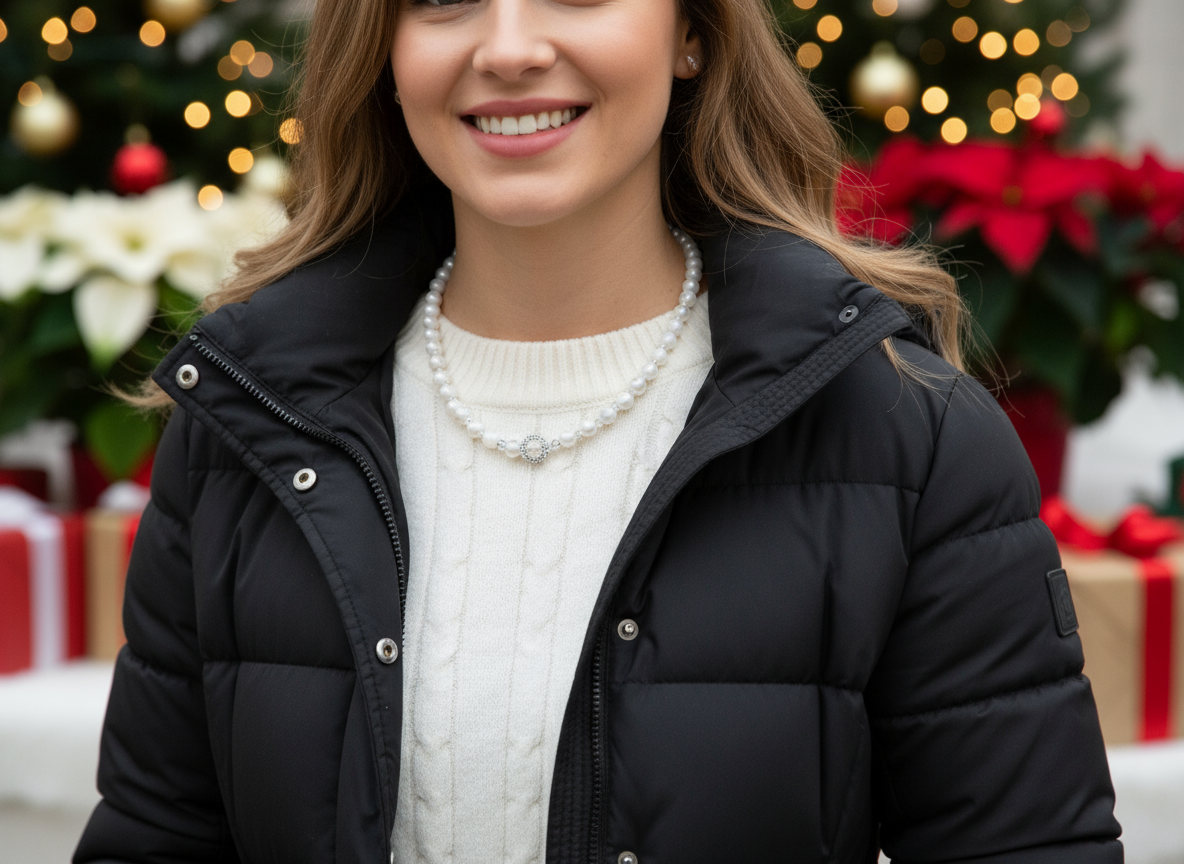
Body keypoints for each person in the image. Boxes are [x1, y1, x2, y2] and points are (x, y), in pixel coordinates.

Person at [74, 0, 1123, 857]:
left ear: (691, 31)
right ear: (383, 50)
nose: (509, 47)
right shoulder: (248, 419)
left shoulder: (905, 434)